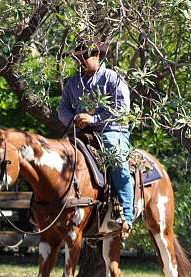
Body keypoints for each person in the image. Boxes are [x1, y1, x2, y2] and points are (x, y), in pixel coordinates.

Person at [57, 42, 134, 238]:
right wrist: (73, 119)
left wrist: (93, 119)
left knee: (116, 159)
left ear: (98, 55)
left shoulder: (113, 78)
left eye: (84, 56)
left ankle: (126, 216)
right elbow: (62, 109)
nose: (80, 61)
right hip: (81, 131)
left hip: (112, 130)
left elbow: (122, 110)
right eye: (76, 58)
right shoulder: (73, 83)